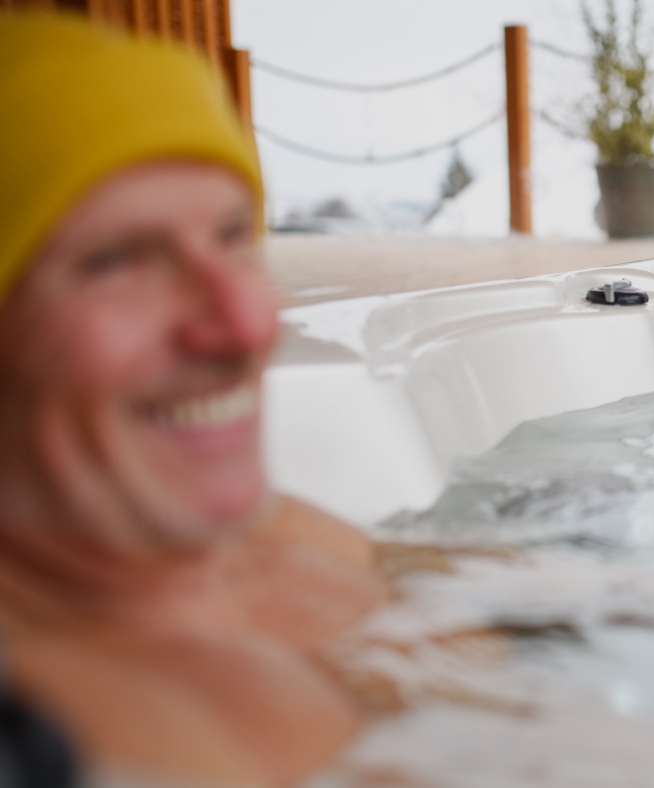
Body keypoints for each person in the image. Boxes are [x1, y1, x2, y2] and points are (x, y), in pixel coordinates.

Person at [0, 14, 388, 786]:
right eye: (115, 261)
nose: (245, 326)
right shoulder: (56, 733)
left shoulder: (299, 540)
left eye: (233, 236)